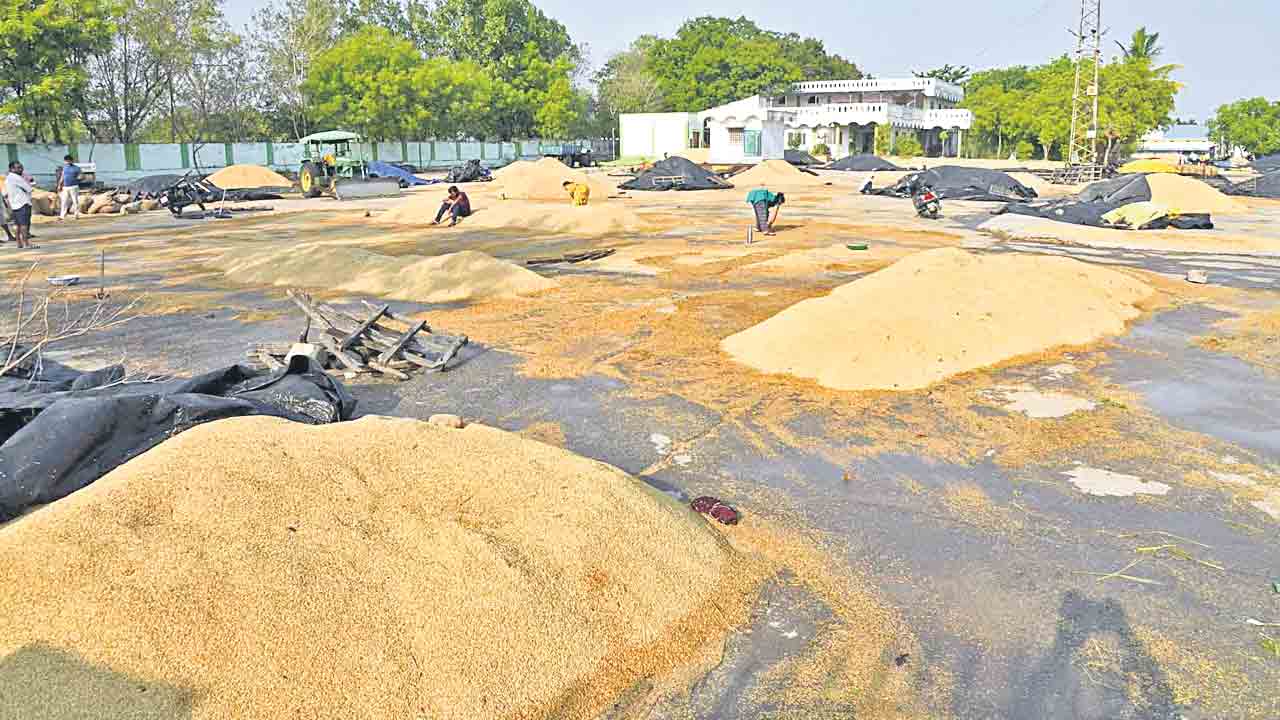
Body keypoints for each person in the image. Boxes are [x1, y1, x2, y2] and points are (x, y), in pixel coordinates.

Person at [4, 161, 35, 249]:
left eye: (21, 167)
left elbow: (5, 193)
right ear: (11, 169)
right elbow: (29, 189)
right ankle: (26, 243)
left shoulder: (8, 178)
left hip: (14, 204)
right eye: (18, 167)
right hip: (23, 203)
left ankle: (19, 242)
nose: (21, 169)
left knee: (17, 224)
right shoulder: (17, 178)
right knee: (24, 224)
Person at [55, 154, 81, 220]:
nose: (67, 162)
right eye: (66, 161)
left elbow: (82, 176)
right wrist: (59, 185)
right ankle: (62, 215)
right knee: (64, 201)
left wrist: (79, 178)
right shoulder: (65, 168)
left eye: (68, 160)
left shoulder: (77, 168)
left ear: (71, 160)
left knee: (75, 201)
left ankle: (76, 214)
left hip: (74, 186)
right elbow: (62, 177)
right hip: (65, 187)